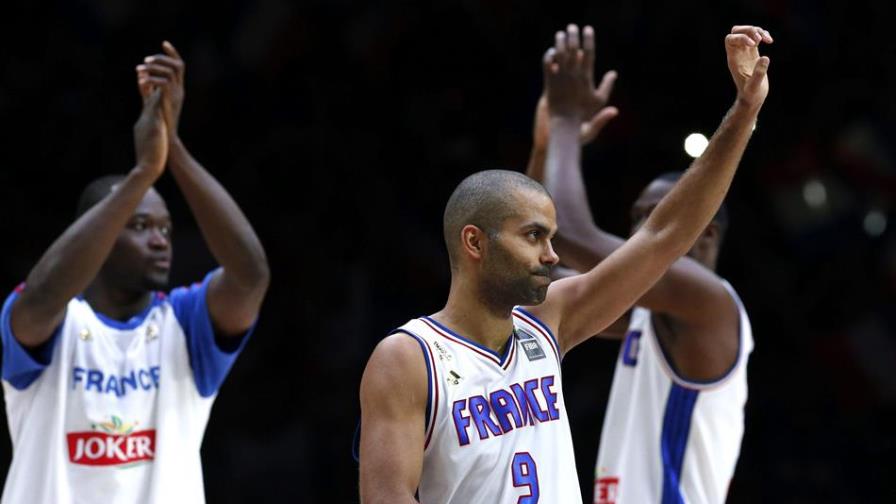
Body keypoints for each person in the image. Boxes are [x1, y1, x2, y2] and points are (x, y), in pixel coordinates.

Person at [358, 23, 771, 503]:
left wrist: (744, 112)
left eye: (551, 238)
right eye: (536, 237)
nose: (553, 255)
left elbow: (663, 237)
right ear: (475, 243)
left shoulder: (548, 323)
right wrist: (549, 142)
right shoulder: (409, 358)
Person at [0, 42, 269, 503]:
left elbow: (250, 275)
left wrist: (173, 150)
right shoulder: (55, 322)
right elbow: (42, 297)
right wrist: (143, 173)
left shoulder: (185, 325)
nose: (161, 239)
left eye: (165, 227)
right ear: (99, 238)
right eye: (140, 226)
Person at [526, 25, 770, 504]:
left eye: (655, 218)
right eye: (636, 219)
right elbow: (537, 277)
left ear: (704, 232)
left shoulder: (709, 305)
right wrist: (544, 148)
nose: (639, 233)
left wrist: (565, 123)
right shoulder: (649, 314)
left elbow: (571, 231)